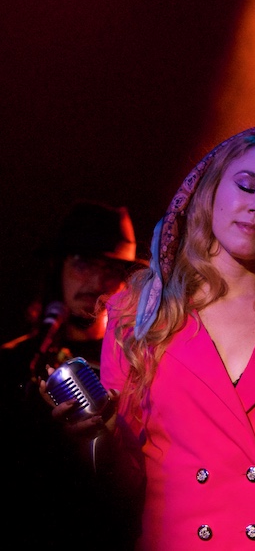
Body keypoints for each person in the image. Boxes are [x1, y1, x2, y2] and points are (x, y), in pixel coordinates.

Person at [46, 118, 255, 550]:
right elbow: (128, 477)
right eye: (246, 186)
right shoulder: (140, 312)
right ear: (210, 191)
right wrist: (93, 438)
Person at [1, 200, 144, 550]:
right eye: (83, 263)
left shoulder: (139, 363)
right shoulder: (16, 360)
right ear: (58, 268)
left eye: (111, 268)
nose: (96, 281)